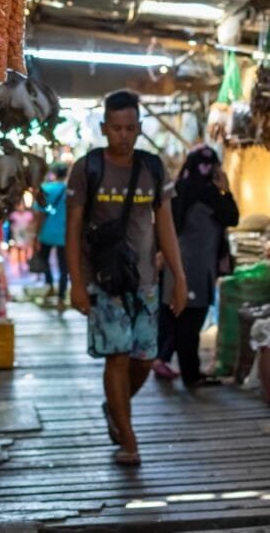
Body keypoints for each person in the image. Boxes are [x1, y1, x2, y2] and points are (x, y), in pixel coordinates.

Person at [65, 90, 188, 466]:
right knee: (116, 359)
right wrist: (76, 283)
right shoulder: (87, 168)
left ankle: (114, 408)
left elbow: (165, 226)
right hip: (103, 282)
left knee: (144, 361)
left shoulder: (153, 167)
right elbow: (72, 230)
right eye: (116, 128)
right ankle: (128, 438)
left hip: (146, 281)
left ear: (139, 128)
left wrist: (179, 279)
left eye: (130, 128)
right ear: (104, 128)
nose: (123, 135)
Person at [154, 145, 239, 386]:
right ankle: (191, 374)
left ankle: (174, 364)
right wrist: (227, 192)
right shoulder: (209, 193)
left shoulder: (177, 188)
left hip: (173, 262)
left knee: (176, 316)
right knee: (192, 319)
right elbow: (233, 217)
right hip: (196, 266)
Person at [35, 163, 70, 310]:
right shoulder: (71, 191)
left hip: (47, 232)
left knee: (44, 260)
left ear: (54, 173)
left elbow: (39, 214)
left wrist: (36, 234)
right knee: (64, 268)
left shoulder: (46, 189)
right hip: (65, 234)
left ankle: (49, 286)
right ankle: (61, 298)